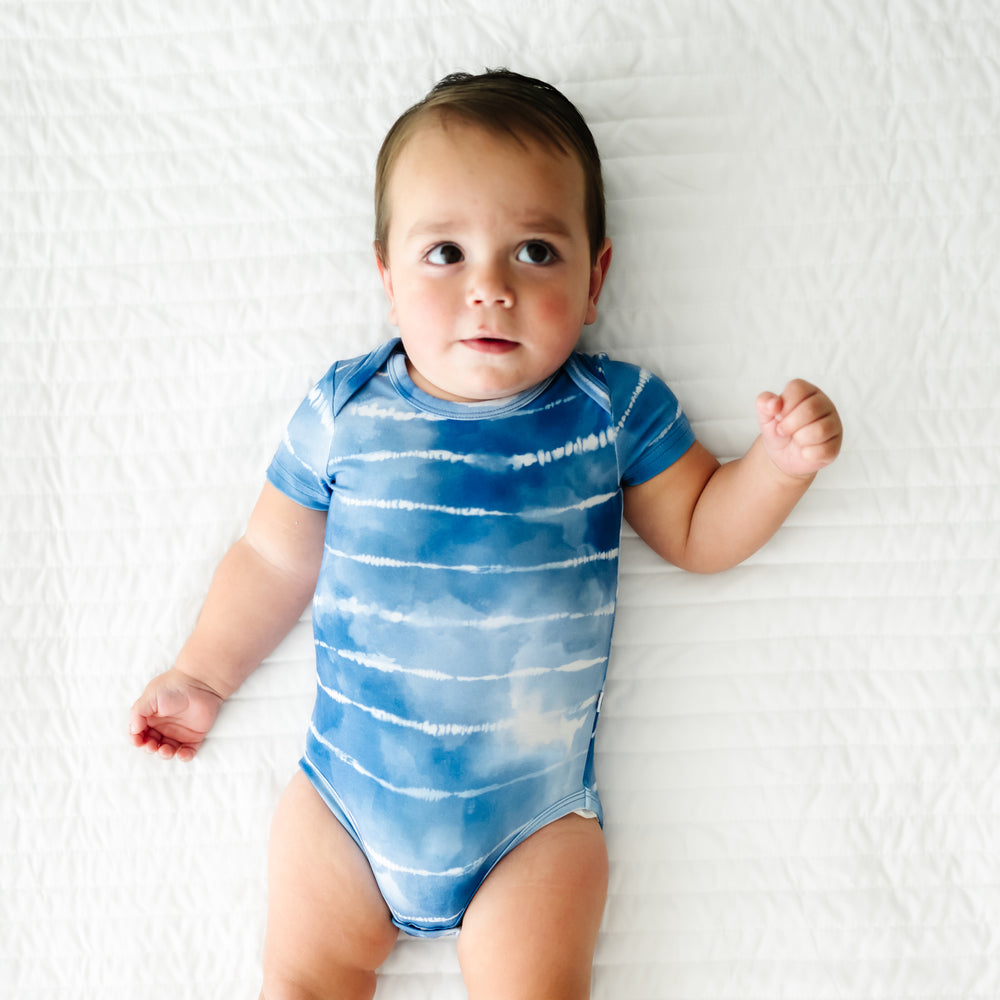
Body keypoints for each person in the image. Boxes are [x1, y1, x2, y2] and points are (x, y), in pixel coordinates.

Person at [129, 69, 842, 1000]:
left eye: (536, 251)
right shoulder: (345, 408)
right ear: (386, 275)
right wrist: (202, 674)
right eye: (445, 254)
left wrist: (777, 469)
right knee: (300, 981)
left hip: (531, 827)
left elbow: (701, 530)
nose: (490, 289)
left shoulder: (612, 410)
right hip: (346, 805)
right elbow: (271, 556)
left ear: (596, 279)